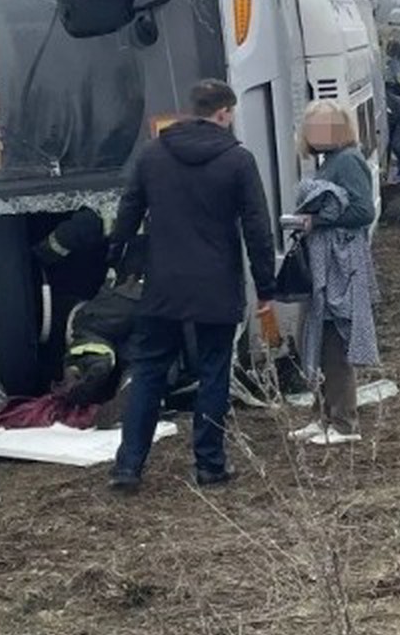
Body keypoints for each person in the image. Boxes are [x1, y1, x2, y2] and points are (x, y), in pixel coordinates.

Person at [108, 79, 278, 491]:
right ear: (223, 113)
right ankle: (209, 464)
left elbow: (128, 211)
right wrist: (266, 285)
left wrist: (118, 260)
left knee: (148, 371)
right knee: (213, 371)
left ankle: (129, 466)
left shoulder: (152, 155)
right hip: (216, 283)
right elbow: (257, 226)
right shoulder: (238, 160)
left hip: (163, 283)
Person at [286, 102, 380, 446]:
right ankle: (322, 414)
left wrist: (318, 220)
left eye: (323, 126)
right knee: (317, 337)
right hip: (325, 260)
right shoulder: (329, 161)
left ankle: (343, 421)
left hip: (341, 263)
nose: (315, 134)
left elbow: (362, 211)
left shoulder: (348, 161)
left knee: (336, 338)